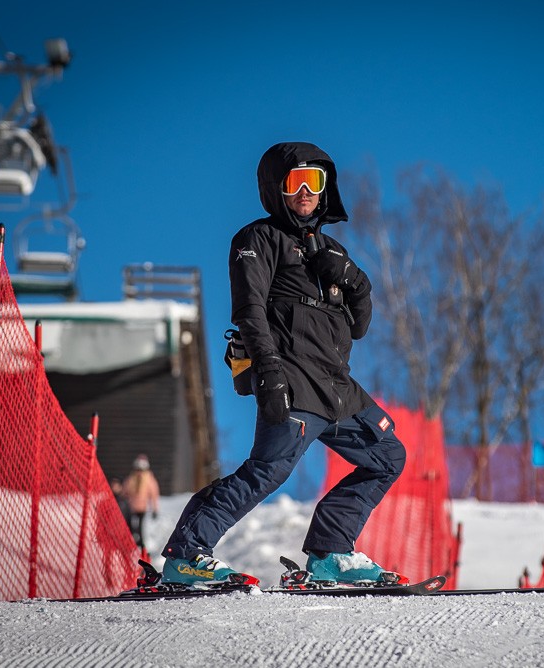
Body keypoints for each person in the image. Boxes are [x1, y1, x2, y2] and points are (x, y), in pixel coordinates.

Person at [160, 142, 407, 586]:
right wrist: (270, 373)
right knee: (266, 471)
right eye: (296, 182)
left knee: (387, 456)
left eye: (315, 181)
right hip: (292, 379)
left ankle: (331, 552)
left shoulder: (332, 250)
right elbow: (249, 311)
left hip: (337, 388)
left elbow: (359, 326)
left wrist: (352, 278)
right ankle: (186, 555)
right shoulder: (257, 239)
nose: (306, 192)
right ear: (277, 189)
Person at [124, 454, 160, 552]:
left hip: (142, 507)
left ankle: (141, 546)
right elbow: (125, 491)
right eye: (138, 469)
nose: (139, 472)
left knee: (139, 528)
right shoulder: (131, 479)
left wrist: (154, 508)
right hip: (131, 507)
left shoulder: (149, 479)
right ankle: (131, 544)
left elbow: (154, 494)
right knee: (131, 527)